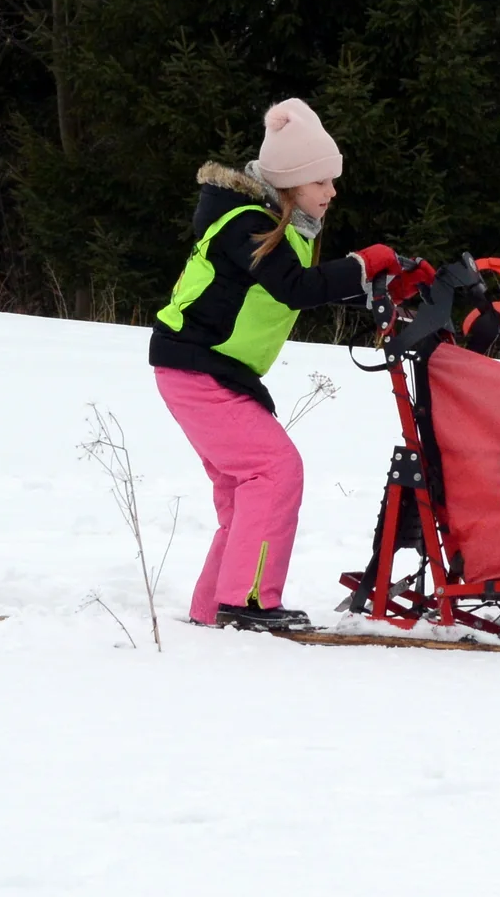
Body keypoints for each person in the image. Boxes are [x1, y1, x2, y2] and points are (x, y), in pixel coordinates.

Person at [150, 99, 424, 631]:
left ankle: (214, 609)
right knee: (274, 470)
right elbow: (295, 287)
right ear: (290, 183)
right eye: (321, 181)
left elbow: (299, 287)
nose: (331, 191)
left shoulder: (280, 229)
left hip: (209, 370)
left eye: (331, 180)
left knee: (245, 489)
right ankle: (247, 604)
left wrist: (382, 289)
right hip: (195, 369)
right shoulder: (247, 224)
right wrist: (364, 263)